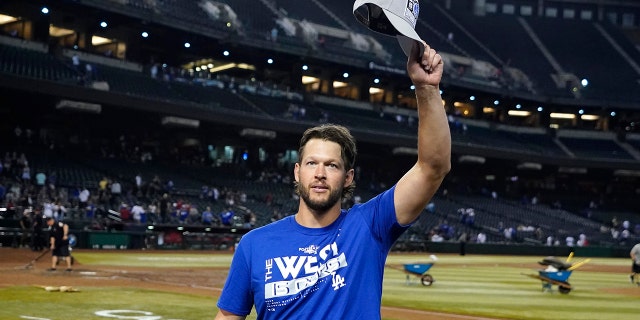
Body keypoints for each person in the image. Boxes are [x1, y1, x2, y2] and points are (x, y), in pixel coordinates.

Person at [215, 35, 450, 320]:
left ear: (348, 177)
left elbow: (432, 167)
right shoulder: (254, 244)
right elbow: (228, 317)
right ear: (297, 171)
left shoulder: (370, 226)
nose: (320, 173)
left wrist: (426, 88)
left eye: (332, 166)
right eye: (312, 163)